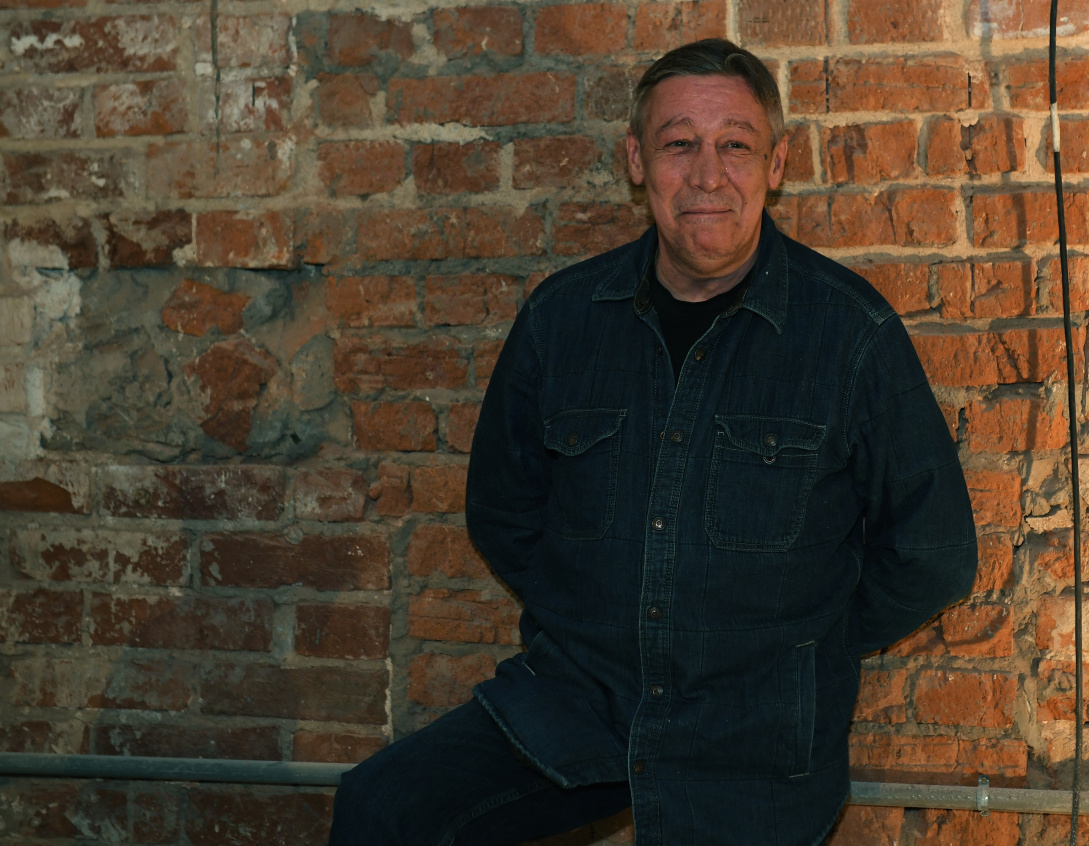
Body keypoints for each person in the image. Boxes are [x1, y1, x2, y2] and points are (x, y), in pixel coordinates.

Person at [328, 38, 977, 846]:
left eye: (735, 145)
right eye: (679, 144)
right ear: (637, 161)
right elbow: (502, 509)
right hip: (575, 704)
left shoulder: (849, 333)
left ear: (776, 164)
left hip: (752, 740)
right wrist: (593, 613)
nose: (708, 175)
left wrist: (805, 651)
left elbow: (934, 552)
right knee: (381, 808)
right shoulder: (562, 321)